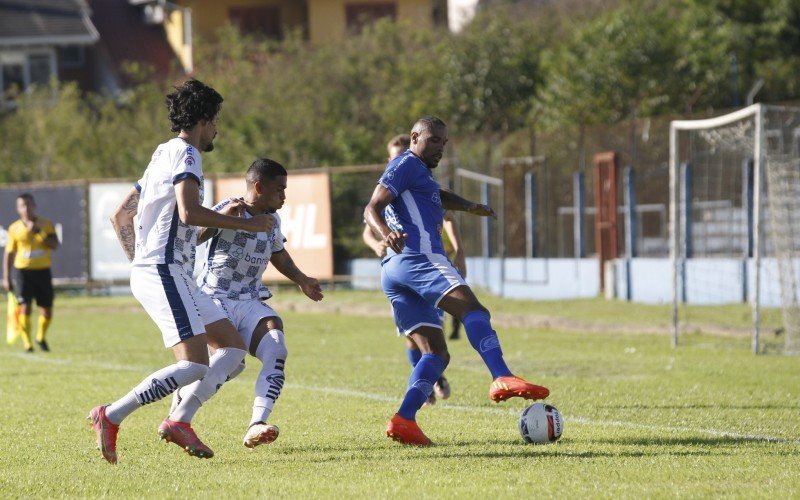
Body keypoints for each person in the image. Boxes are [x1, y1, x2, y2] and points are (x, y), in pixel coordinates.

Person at [89, 79, 274, 464]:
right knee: (192, 364)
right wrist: (246, 225)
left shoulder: (162, 152)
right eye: (216, 120)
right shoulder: (188, 155)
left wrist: (142, 264)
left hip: (170, 271)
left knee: (233, 350)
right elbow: (188, 212)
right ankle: (111, 414)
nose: (217, 129)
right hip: (165, 270)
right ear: (204, 119)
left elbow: (121, 214)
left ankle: (179, 420)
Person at [363, 116, 550, 446]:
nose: (440, 148)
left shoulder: (419, 172)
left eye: (444, 143)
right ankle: (501, 376)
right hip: (418, 257)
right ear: (415, 137)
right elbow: (371, 208)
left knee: (435, 353)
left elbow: (437, 195)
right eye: (434, 140)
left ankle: (404, 419)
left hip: (394, 270)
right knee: (474, 310)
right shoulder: (405, 162)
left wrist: (469, 206)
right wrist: (386, 232)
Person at [180, 157, 323, 448]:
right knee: (231, 363)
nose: (284, 195)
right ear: (259, 186)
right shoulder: (229, 208)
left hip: (250, 299)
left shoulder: (272, 220)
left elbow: (278, 254)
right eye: (280, 189)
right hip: (215, 298)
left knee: (276, 346)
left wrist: (302, 279)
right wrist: (223, 221)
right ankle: (181, 413)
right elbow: (193, 237)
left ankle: (257, 423)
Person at [361, 134, 466, 405]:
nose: (399, 161)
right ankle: (429, 382)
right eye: (394, 157)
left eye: (401, 155)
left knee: (434, 337)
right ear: (389, 160)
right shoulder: (388, 191)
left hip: (430, 267)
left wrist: (458, 248)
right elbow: (367, 228)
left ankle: (433, 377)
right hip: (399, 270)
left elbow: (449, 215)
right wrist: (378, 243)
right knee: (412, 339)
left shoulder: (419, 185)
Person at [2, 193, 59, 352]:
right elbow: (9, 254)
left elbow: (54, 245)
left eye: (28, 204)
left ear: (34, 205)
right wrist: (6, 277)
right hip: (22, 272)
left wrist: (38, 232)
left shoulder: (45, 224)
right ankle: (27, 343)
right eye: (22, 205)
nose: (26, 208)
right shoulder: (14, 228)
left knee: (46, 310)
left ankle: (40, 337)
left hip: (42, 271)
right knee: (25, 307)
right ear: (18, 208)